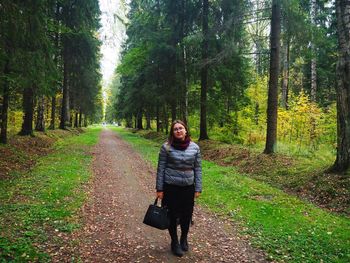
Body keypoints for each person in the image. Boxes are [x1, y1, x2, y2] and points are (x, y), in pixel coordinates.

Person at [156, 120, 202, 257]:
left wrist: (198, 188)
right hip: (170, 187)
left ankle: (183, 239)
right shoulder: (166, 147)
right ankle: (174, 242)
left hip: (188, 188)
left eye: (180, 128)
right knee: (171, 215)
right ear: (172, 132)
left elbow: (198, 168)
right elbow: (161, 169)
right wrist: (159, 188)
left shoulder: (195, 147)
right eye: (175, 129)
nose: (178, 131)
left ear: (186, 130)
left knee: (187, 215)